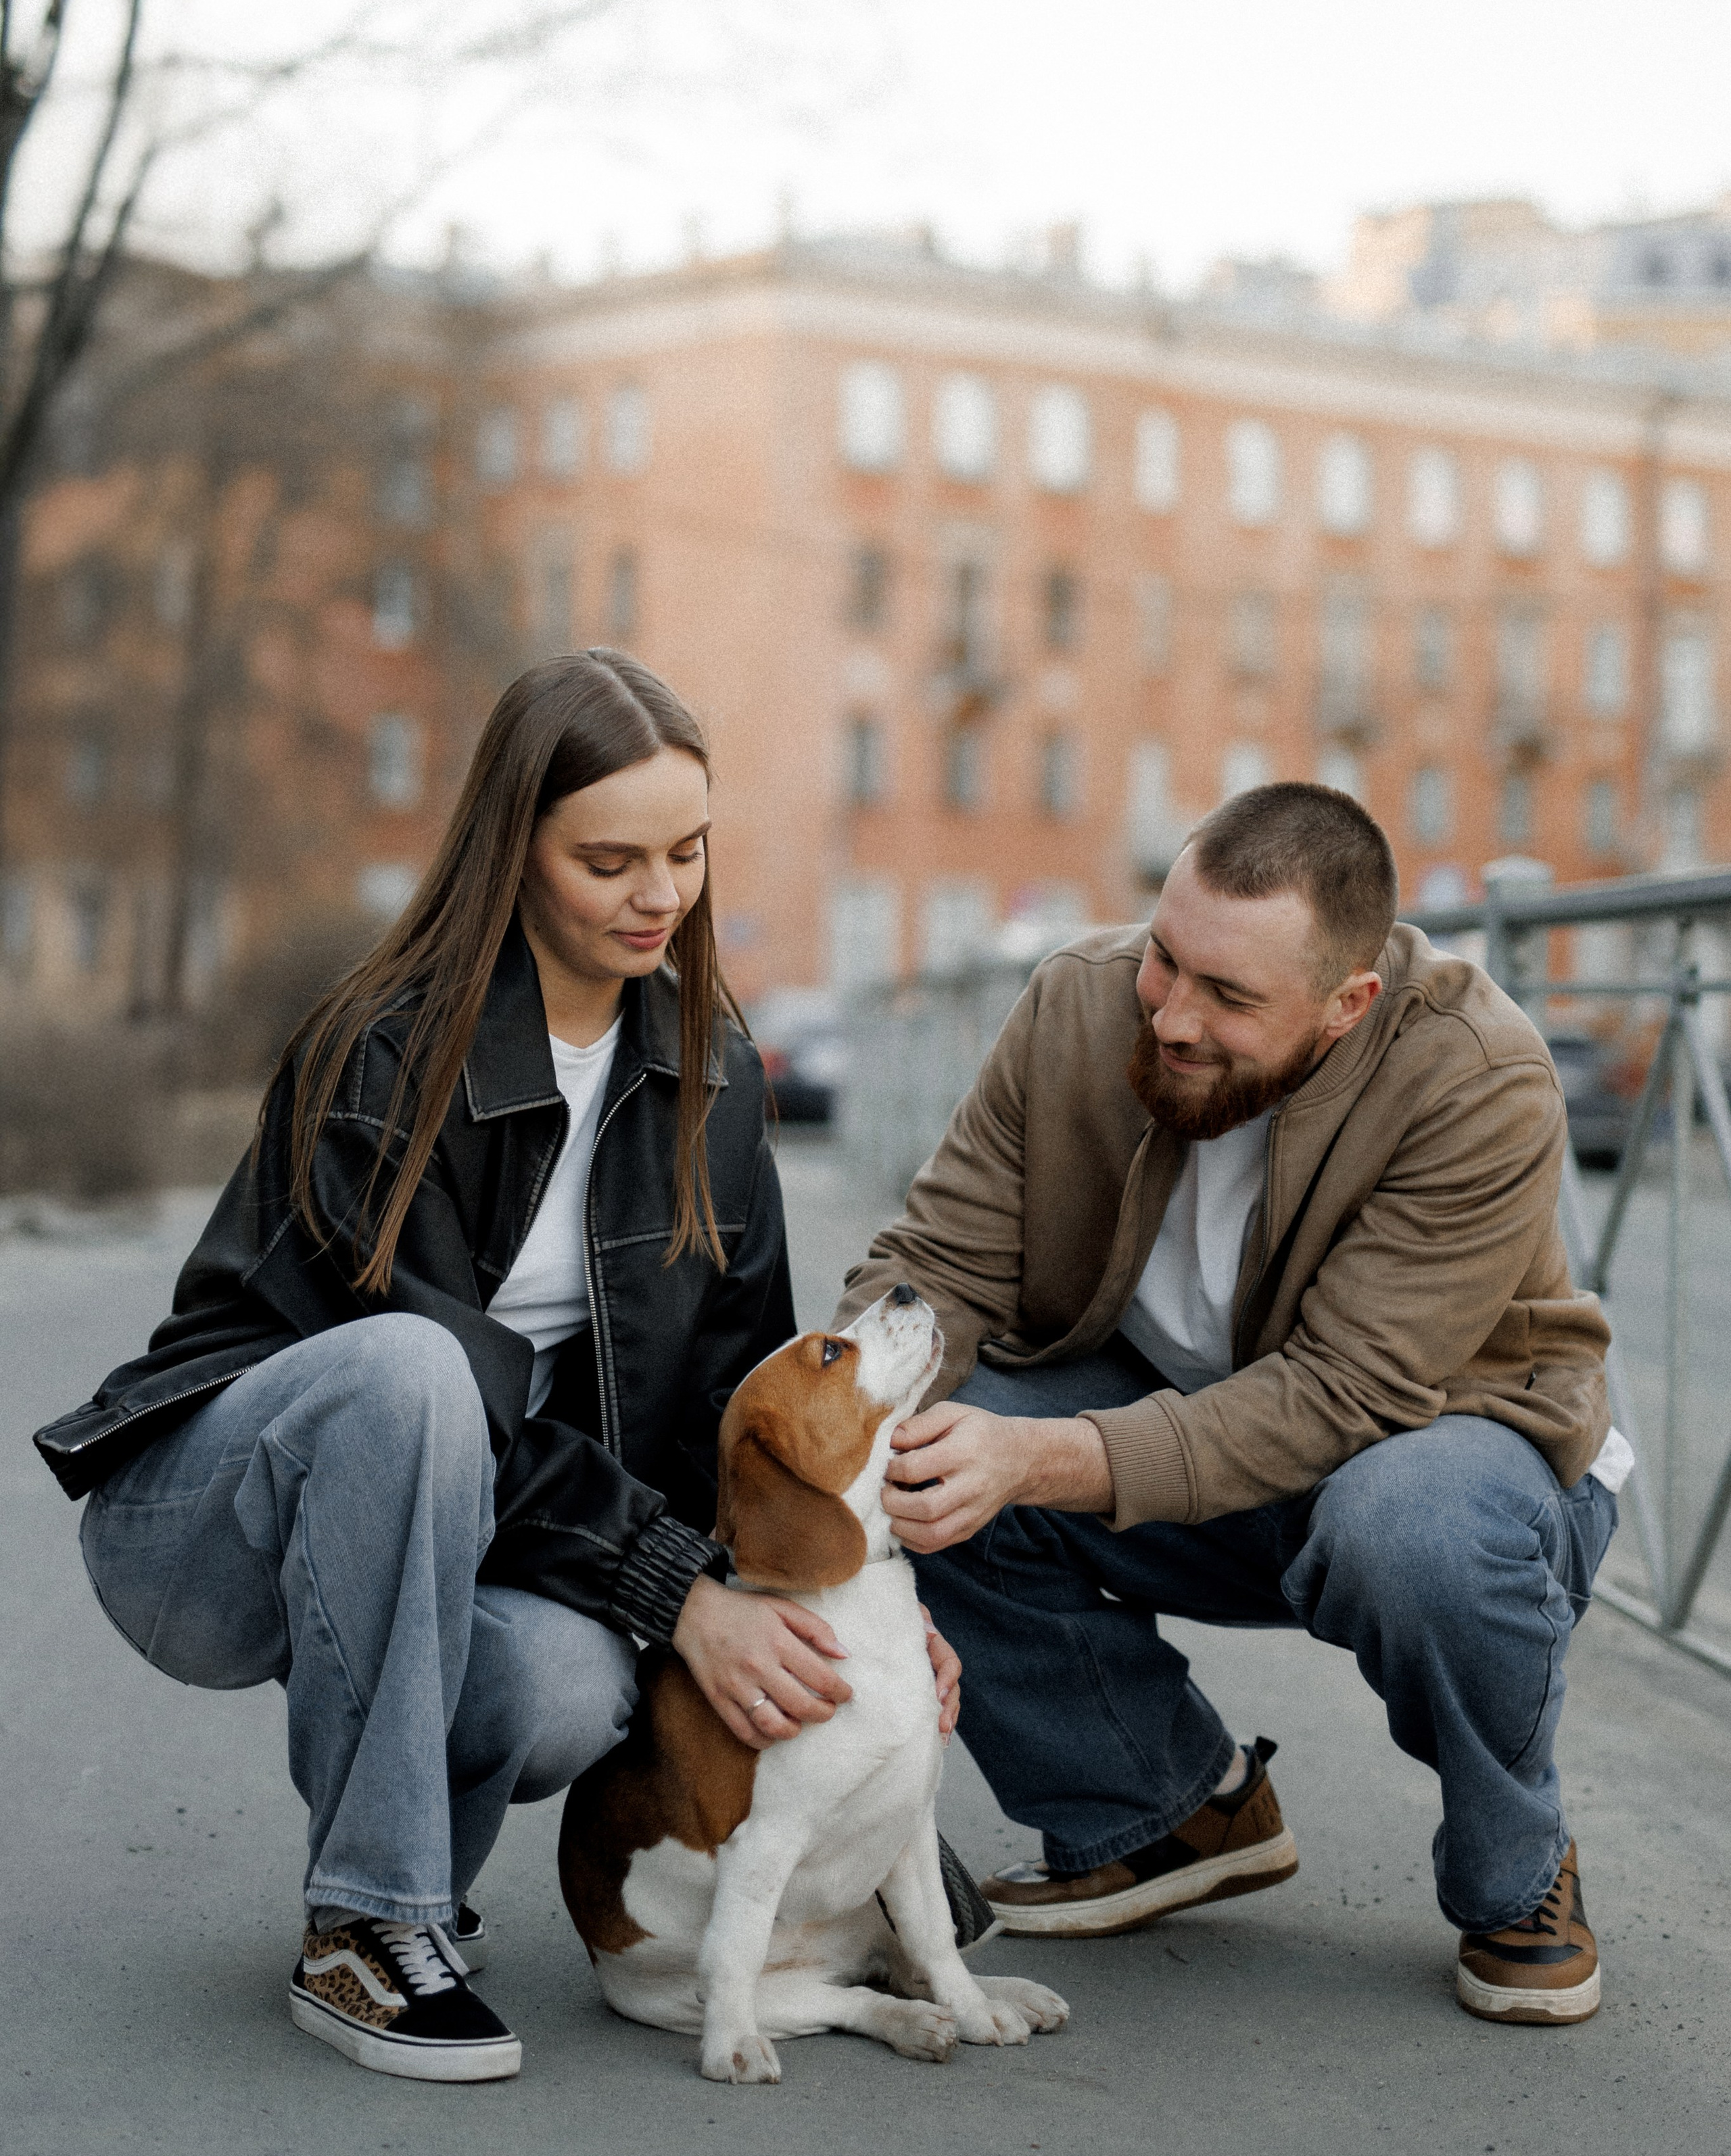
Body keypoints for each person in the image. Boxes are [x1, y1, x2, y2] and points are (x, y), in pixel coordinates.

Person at [41, 650, 960, 2084]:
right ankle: (368, 1917)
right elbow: (446, 1394)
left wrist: (844, 1623)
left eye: (687, 850)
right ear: (512, 850)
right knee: (417, 1371)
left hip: (459, 1530)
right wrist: (676, 1587)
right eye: (609, 859)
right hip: (208, 1520)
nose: (660, 894)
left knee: (570, 1683)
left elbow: (748, 1404)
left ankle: (417, 1910)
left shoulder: (711, 1068)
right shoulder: (386, 1050)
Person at [837, 782, 1620, 2026]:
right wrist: (829, 1423)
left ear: (1348, 1003)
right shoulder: (1076, 1007)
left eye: (1231, 996)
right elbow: (938, 1269)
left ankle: (1515, 1868)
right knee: (921, 1447)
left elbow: (1341, 1394)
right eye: (1166, 959)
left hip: (1449, 1458)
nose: (1175, 1015)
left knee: (1406, 1527)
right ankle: (1163, 1811)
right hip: (1195, 1444)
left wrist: (1038, 1457)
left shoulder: (1478, 1077)